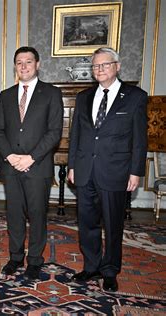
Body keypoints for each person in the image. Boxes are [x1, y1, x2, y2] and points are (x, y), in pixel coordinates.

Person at [67, 47, 147, 292]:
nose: (99, 70)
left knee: (113, 225)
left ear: (117, 66)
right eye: (95, 66)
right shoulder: (83, 97)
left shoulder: (135, 96)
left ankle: (110, 271)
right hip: (84, 169)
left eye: (105, 65)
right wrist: (71, 165)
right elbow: (76, 135)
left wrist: (136, 172)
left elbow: (139, 138)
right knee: (87, 222)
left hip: (116, 171)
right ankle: (91, 266)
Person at [0, 46, 63, 280]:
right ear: (15, 66)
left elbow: (54, 132)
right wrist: (10, 157)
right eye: (19, 62)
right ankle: (15, 258)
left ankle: (34, 260)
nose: (24, 66)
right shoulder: (6, 95)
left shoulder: (51, 93)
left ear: (37, 64)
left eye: (28, 62)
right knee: (13, 215)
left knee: (37, 214)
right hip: (11, 167)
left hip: (37, 166)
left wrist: (31, 157)